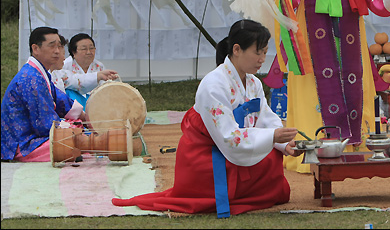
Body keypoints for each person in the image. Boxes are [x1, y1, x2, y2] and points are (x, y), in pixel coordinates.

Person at [113, 19, 303, 216]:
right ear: (237, 49)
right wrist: (272, 136)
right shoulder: (213, 84)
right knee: (262, 161)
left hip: (234, 146)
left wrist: (284, 143)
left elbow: (265, 116)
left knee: (273, 158)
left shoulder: (253, 83)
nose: (262, 58)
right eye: (258, 52)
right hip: (206, 153)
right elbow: (229, 137)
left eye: (264, 52)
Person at [269, 0, 390, 173]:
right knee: (314, 96)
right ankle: (313, 150)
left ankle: (356, 147)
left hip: (350, 52)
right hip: (313, 54)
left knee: (355, 91)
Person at [1, 27, 84, 162]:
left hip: (31, 136)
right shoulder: (31, 77)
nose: (57, 51)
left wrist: (84, 116)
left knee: (78, 129)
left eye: (59, 46)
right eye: (52, 46)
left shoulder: (38, 73)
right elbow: (44, 124)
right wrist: (72, 128)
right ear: (36, 49)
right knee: (76, 142)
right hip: (21, 144)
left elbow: (60, 99)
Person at [61, 33, 118, 106]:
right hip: (72, 104)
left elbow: (104, 89)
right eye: (84, 49)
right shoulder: (65, 65)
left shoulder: (99, 66)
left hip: (97, 104)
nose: (89, 52)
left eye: (91, 48)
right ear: (73, 52)